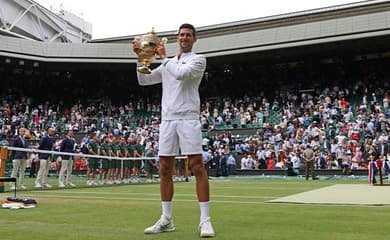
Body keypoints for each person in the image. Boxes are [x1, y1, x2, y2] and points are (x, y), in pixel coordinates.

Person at [133, 23, 215, 237]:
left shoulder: (198, 60)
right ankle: (166, 219)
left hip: (188, 118)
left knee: (197, 166)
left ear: (194, 39)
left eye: (188, 35)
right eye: (181, 35)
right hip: (167, 119)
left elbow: (181, 74)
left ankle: (205, 221)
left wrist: (162, 57)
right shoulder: (168, 64)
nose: (184, 37)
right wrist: (141, 58)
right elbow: (144, 80)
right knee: (164, 169)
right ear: (177, 38)